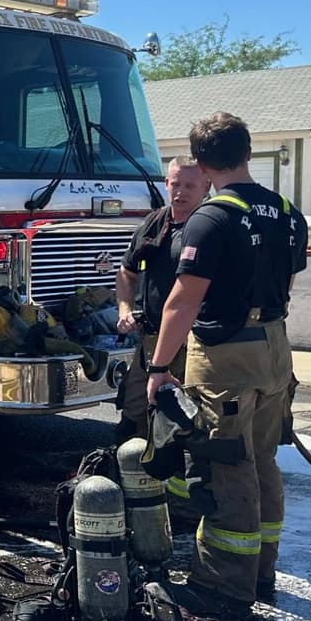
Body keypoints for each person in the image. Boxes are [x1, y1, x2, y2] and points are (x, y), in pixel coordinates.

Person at [146, 112, 308, 619]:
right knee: (263, 459)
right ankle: (260, 570)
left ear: (200, 162)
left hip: (225, 355)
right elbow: (283, 286)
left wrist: (158, 368)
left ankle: (223, 585)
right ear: (248, 151)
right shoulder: (289, 213)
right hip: (274, 347)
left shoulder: (212, 217)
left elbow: (183, 300)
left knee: (226, 463)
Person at [114, 156, 211, 443]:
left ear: (206, 187)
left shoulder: (210, 227)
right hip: (151, 340)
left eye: (190, 186)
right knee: (134, 415)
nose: (180, 192)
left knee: (184, 421)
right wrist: (124, 309)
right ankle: (134, 468)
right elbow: (126, 272)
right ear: (166, 184)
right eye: (176, 184)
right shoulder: (154, 223)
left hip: (195, 343)